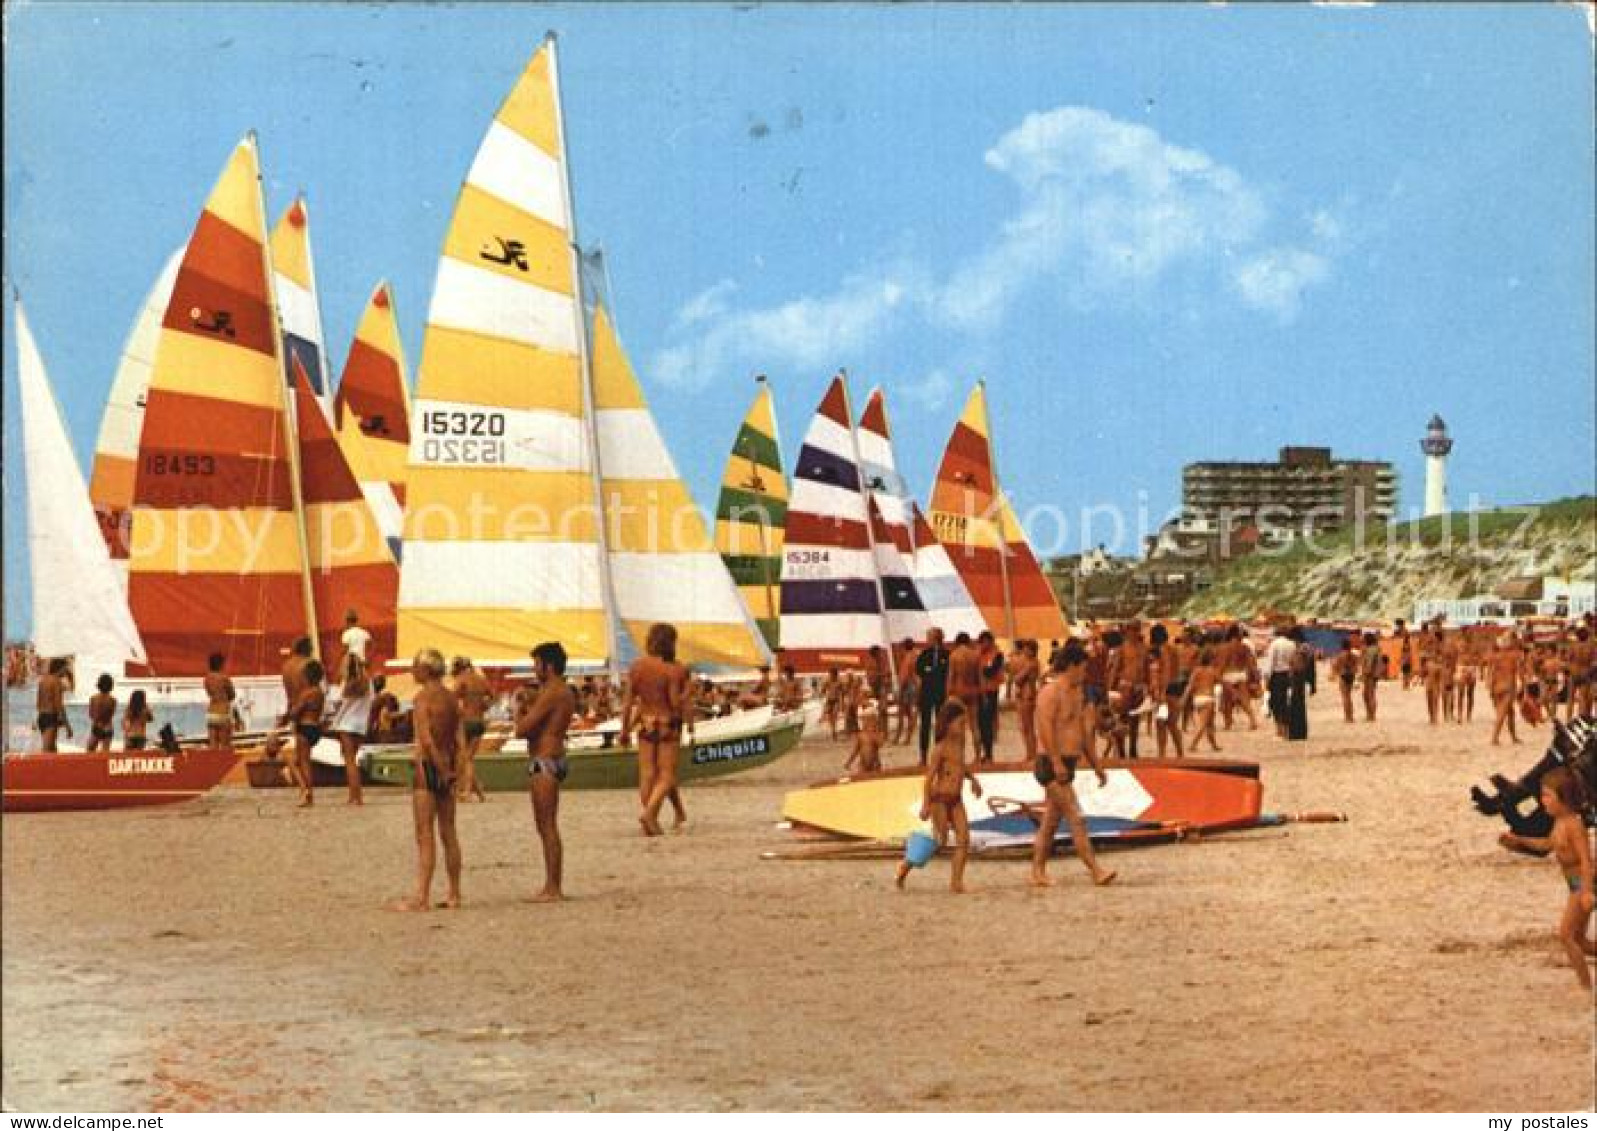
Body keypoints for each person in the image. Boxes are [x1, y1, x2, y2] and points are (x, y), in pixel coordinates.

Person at [1029, 641, 1118, 889]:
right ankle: (1096, 870)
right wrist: (1056, 761)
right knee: (1076, 818)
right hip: (1050, 763)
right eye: (1082, 668)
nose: (1085, 673)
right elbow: (1044, 728)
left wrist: (1097, 766)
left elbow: (1083, 734)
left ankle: (1037, 871)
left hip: (1068, 762)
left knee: (1050, 822)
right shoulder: (1050, 692)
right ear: (1070, 666)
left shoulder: (1078, 694)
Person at [1498, 770, 1594, 991]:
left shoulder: (1574, 826)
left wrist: (1587, 892)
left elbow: (1586, 860)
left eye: (1547, 795)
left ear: (1564, 799)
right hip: (1575, 884)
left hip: (1582, 884)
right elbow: (1546, 845)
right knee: (1581, 942)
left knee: (1566, 935)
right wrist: (1518, 841)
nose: (1543, 801)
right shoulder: (1558, 823)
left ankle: (1585, 987)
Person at [392, 648, 462, 912]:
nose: (411, 670)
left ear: (425, 670)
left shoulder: (422, 698)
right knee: (449, 832)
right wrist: (455, 769)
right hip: (449, 762)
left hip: (428, 767)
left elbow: (426, 739)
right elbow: (458, 738)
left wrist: (439, 768)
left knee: (424, 834)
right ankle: (454, 893)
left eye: (414, 666)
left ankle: (421, 896)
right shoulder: (452, 699)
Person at [894, 700, 981, 894]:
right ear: (949, 724)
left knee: (964, 840)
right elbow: (929, 778)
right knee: (939, 840)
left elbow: (960, 765)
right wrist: (926, 803)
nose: (963, 727)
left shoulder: (960, 743)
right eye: (960, 723)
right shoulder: (940, 748)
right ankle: (906, 865)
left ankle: (956, 882)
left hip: (956, 799)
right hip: (940, 799)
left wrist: (973, 779)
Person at [516, 642, 576, 903]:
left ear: (547, 666)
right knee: (547, 826)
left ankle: (553, 887)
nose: (534, 669)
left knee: (547, 827)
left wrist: (520, 711)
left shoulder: (552, 692)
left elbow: (524, 729)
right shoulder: (563, 691)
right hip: (554, 757)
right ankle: (552, 885)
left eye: (536, 664)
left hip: (544, 761)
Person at [621, 623, 691, 836]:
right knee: (667, 774)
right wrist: (688, 691)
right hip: (667, 723)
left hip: (645, 722)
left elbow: (628, 703)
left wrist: (624, 729)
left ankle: (653, 816)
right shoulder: (672, 669)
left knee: (648, 774)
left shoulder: (636, 667)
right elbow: (675, 703)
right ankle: (650, 814)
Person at [328, 647, 373, 805]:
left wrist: (333, 723)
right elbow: (370, 704)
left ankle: (355, 796)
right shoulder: (368, 683)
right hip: (361, 725)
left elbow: (340, 705)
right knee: (353, 760)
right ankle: (356, 796)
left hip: (346, 724)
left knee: (349, 761)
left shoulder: (347, 684)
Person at [451, 656, 492, 803]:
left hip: (465, 721)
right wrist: (484, 706)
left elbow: (451, 698)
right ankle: (479, 793)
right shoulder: (481, 679)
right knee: (467, 758)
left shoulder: (461, 679)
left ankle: (465, 791)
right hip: (479, 721)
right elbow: (492, 696)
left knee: (464, 758)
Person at [288, 659, 326, 808]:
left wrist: (291, 709)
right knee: (299, 761)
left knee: (300, 763)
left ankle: (306, 791)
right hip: (315, 728)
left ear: (307, 676)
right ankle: (306, 793)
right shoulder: (320, 693)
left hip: (304, 727)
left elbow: (295, 713)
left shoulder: (307, 693)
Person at [914, 628, 950, 765]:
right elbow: (919, 670)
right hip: (927, 693)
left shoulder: (946, 654)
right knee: (925, 725)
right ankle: (923, 757)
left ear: (936, 638)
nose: (926, 640)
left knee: (941, 725)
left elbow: (947, 672)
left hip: (941, 693)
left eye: (928, 637)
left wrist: (930, 672)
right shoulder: (924, 654)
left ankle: (940, 755)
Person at [1147, 625, 1184, 759]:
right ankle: (1180, 752)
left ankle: (1162, 753)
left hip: (1166, 688)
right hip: (1176, 687)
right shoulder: (1174, 649)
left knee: (1161, 722)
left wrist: (1161, 691)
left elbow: (1166, 670)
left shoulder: (1163, 650)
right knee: (1172, 723)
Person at [947, 632, 982, 759]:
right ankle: (978, 756)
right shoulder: (975, 655)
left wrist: (948, 695)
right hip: (972, 690)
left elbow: (951, 677)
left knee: (959, 726)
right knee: (975, 726)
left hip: (958, 691)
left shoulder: (954, 655)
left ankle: (960, 756)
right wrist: (983, 694)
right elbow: (980, 677)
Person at [1184, 648, 1223, 753]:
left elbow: (1190, 686)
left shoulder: (1196, 670)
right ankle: (1193, 745)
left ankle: (1214, 745)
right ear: (1211, 659)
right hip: (1208, 698)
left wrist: (1184, 698)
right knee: (1203, 724)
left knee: (1210, 723)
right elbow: (1222, 682)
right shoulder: (1212, 671)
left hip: (1197, 699)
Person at [974, 631, 1005, 763]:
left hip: (991, 691)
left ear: (990, 642)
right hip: (980, 691)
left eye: (984, 642)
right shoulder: (979, 654)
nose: (982, 645)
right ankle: (983, 753)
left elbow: (991, 671)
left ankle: (989, 754)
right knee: (981, 723)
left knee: (987, 722)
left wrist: (980, 670)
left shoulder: (997, 655)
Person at [1488, 632, 1523, 746]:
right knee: (1502, 714)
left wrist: (1490, 688)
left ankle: (1513, 737)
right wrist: (1524, 688)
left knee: (1510, 713)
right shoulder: (1514, 656)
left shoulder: (1496, 656)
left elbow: (1491, 673)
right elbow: (1519, 673)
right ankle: (1494, 738)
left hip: (1496, 686)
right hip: (1508, 686)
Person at [1011, 640, 1041, 763]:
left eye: (1026, 649)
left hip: (1026, 695)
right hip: (1028, 694)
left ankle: (1031, 754)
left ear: (1031, 650)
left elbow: (1017, 680)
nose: (1024, 651)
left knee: (1027, 727)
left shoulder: (1031, 664)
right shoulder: (1034, 662)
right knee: (1027, 727)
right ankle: (1031, 753)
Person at [1265, 625, 1296, 738]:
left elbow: (1270, 663)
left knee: (1276, 703)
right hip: (1288, 675)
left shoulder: (1274, 644)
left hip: (1277, 676)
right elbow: (1293, 662)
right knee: (1285, 703)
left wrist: (1267, 679)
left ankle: (1279, 731)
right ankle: (1287, 730)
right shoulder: (1292, 644)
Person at [35, 658, 71, 753]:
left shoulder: (42, 681)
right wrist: (68, 726)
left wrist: (37, 720)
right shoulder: (56, 682)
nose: (66, 671)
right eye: (65, 668)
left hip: (42, 717)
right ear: (60, 668)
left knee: (52, 749)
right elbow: (59, 705)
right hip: (50, 718)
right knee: (47, 751)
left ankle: (56, 767)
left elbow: (38, 703)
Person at [204, 652, 236, 750]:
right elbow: (232, 695)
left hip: (211, 712)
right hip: (223, 713)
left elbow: (209, 693)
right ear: (220, 664)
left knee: (212, 746)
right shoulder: (224, 678)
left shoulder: (207, 679)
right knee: (225, 745)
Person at [893, 637, 920, 747]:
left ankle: (898, 737)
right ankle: (907, 738)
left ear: (905, 647)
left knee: (902, 713)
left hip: (908, 687)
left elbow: (904, 676)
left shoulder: (908, 658)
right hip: (916, 686)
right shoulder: (916, 656)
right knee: (911, 714)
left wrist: (899, 689)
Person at [1286, 626, 1311, 742]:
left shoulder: (1301, 648)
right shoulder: (1303, 647)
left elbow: (1299, 663)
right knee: (1298, 705)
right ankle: (1299, 732)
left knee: (1296, 705)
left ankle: (1297, 732)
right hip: (1299, 677)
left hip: (1297, 677)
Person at [845, 706, 885, 774]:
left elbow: (880, 744)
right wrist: (849, 762)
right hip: (862, 764)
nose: (864, 722)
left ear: (875, 721)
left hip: (875, 764)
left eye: (868, 720)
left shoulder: (877, 733)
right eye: (863, 720)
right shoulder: (860, 735)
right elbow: (855, 750)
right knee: (861, 775)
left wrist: (874, 732)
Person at [85, 674, 117, 753]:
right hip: (108, 727)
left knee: (89, 751)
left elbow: (91, 714)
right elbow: (111, 714)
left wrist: (96, 721)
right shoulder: (112, 700)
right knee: (105, 752)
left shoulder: (94, 698)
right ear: (111, 686)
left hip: (97, 726)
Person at [1330, 639, 1357, 723]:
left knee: (1345, 697)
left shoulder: (1340, 655)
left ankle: (1347, 717)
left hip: (1343, 676)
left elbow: (1335, 666)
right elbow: (1356, 666)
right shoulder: (1353, 655)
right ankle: (1351, 716)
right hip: (1351, 676)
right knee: (1349, 696)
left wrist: (1333, 674)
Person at [1359, 631, 1383, 721]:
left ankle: (1371, 715)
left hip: (1370, 674)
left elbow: (1369, 662)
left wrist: (1365, 673)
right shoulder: (1375, 648)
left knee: (1369, 694)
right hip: (1374, 674)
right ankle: (1370, 714)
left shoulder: (1371, 650)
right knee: (1368, 694)